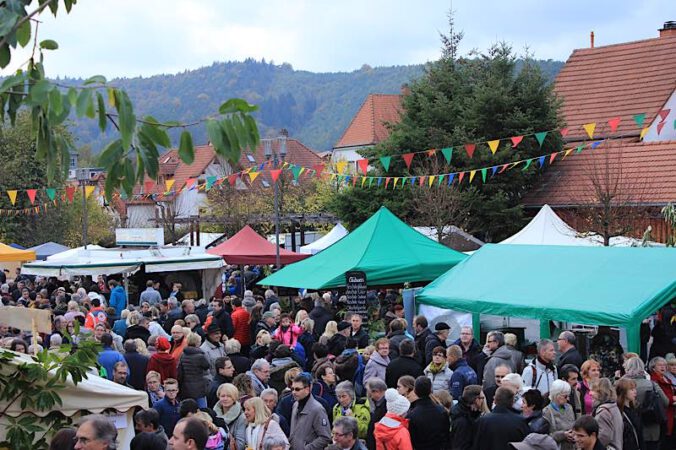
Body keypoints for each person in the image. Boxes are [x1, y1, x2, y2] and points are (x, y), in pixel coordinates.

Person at [623, 357, 669, 450]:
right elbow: (666, 402)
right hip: (651, 429)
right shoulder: (651, 384)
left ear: (627, 368)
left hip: (630, 430)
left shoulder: (621, 384)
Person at [289, 373, 332, 450]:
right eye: (292, 389)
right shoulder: (295, 405)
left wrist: (307, 448)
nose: (294, 392)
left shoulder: (317, 409)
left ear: (307, 389)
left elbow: (325, 437)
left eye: (297, 389)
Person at [407, 376, 449, 450]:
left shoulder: (412, 415)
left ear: (415, 391)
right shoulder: (442, 411)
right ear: (430, 390)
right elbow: (446, 434)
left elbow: (412, 439)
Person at [178, 332, 211, 408]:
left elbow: (180, 373)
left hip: (186, 388)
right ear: (197, 342)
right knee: (203, 409)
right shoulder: (200, 356)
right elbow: (207, 366)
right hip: (199, 387)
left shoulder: (183, 355)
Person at [541, 379, 576, 450]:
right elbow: (545, 438)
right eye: (565, 396)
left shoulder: (569, 407)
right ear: (557, 395)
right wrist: (563, 435)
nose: (568, 399)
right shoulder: (547, 412)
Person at [648, 356, 675, 449]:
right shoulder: (654, 380)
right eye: (660, 365)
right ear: (653, 367)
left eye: (664, 365)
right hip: (663, 414)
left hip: (671, 413)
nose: (663, 367)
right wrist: (673, 399)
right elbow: (662, 398)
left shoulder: (666, 378)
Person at [449, 385, 486, 450]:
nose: (484, 401)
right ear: (477, 400)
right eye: (482, 398)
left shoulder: (465, 413)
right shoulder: (462, 421)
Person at [590, 378, 623, 450]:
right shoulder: (613, 407)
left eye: (593, 390)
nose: (590, 393)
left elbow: (604, 436)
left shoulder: (603, 411)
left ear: (600, 392)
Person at [214, 383, 247, 450]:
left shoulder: (241, 417)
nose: (225, 399)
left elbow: (239, 446)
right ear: (219, 397)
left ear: (234, 398)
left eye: (229, 396)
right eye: (223, 396)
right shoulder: (214, 414)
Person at [615, 377, 643, 450]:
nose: (635, 391)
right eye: (631, 389)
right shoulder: (618, 411)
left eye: (634, 389)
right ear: (623, 392)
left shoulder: (634, 409)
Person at [364, 378, 388, 450]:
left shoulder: (385, 408)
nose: (370, 397)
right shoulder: (380, 405)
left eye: (370, 394)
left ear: (377, 392)